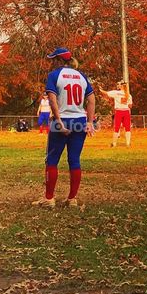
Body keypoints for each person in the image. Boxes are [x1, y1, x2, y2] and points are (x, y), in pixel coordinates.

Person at [33, 48, 94, 209]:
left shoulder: (54, 76)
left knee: (52, 160)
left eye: (53, 59)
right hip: (79, 122)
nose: (52, 63)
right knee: (74, 160)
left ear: (59, 60)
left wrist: (58, 120)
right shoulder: (81, 76)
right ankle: (72, 199)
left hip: (62, 122)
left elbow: (52, 100)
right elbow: (92, 100)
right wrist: (89, 122)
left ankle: (49, 199)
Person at [100, 80, 133, 147]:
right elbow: (130, 106)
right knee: (127, 128)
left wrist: (100, 89)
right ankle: (128, 143)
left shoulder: (116, 93)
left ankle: (114, 144)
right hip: (126, 111)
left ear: (121, 86)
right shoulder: (129, 95)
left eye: (119, 84)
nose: (118, 85)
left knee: (116, 128)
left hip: (119, 111)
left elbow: (106, 93)